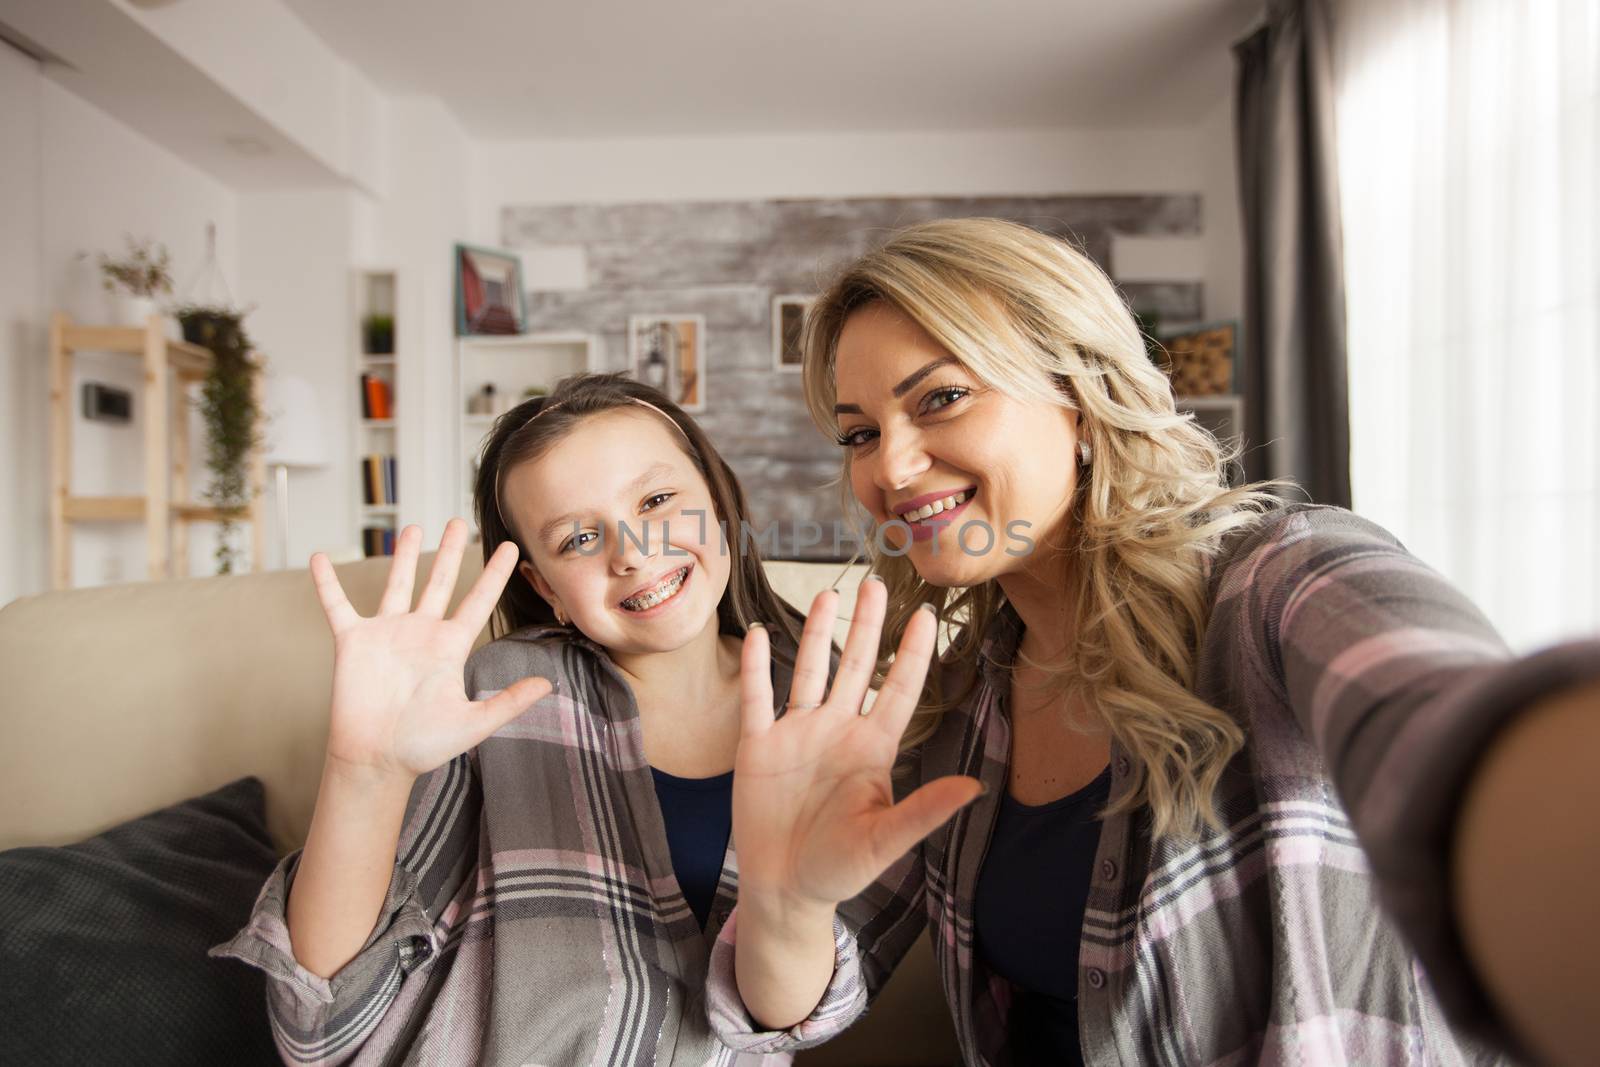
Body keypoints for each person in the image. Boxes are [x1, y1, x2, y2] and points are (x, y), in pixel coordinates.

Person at [705, 218, 1600, 1066]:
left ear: (1083, 400)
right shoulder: (957, 705)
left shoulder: (1283, 585)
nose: (888, 468)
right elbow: (786, 1005)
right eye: (860, 432)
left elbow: (1447, 722)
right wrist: (786, 902)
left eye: (941, 397)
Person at [212, 373, 815, 1066]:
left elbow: (791, 1014)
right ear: (545, 588)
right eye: (579, 538)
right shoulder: (497, 694)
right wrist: (363, 771)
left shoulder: (828, 704)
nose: (632, 552)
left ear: (717, 500)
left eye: (656, 499)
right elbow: (319, 1025)